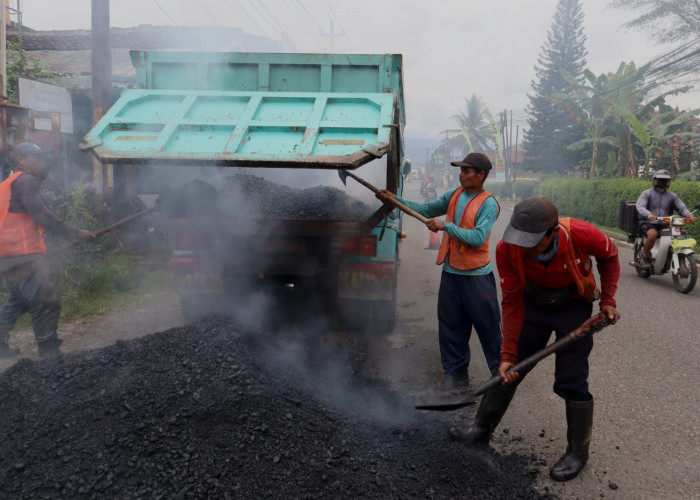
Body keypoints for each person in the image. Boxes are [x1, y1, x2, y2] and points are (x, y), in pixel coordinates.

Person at [448, 197, 621, 481]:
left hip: (573, 306)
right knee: (510, 369)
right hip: (533, 303)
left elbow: (611, 257)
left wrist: (609, 300)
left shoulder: (580, 233)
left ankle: (578, 452)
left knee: (572, 379)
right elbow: (513, 301)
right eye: (520, 239)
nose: (524, 247)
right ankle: (480, 430)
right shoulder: (508, 250)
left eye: (533, 241)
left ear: (552, 233)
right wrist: (507, 355)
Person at [376, 152, 502, 388]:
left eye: (466, 171)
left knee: (488, 328)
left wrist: (446, 226)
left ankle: (500, 376)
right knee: (451, 325)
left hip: (477, 277)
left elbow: (477, 238)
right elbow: (424, 209)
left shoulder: (488, 204)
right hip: (452, 273)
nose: (461, 175)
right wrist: (394, 200)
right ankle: (455, 377)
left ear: (481, 175)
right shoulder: (454, 195)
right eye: (460, 170)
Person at [0, 143, 96, 359]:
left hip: (6, 255)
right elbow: (43, 217)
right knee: (45, 299)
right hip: (23, 255)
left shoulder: (7, 183)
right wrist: (76, 233)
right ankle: (49, 350)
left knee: (19, 300)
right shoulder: (27, 181)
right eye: (37, 157)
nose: (42, 162)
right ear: (22, 159)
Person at [635, 169, 697, 269]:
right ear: (654, 180)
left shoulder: (672, 196)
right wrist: (649, 214)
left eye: (665, 180)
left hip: (664, 223)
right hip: (648, 222)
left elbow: (681, 207)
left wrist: (690, 216)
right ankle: (646, 258)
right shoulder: (647, 193)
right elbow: (640, 206)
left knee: (682, 233)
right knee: (652, 234)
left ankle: (672, 256)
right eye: (660, 180)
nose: (663, 182)